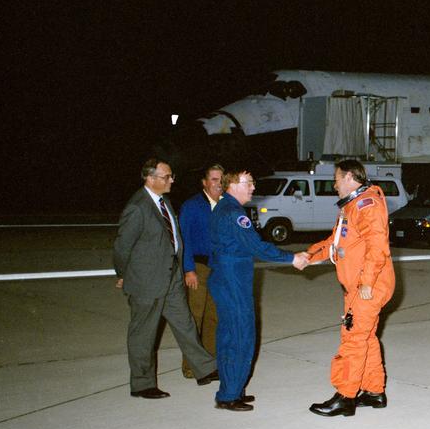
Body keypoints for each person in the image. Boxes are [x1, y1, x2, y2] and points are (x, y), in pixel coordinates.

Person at [113, 158, 219, 398]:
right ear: (150, 179)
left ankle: (204, 369)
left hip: (171, 278)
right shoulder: (138, 207)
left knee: (186, 324)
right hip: (146, 281)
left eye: (171, 176)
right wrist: (123, 275)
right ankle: (142, 384)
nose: (172, 180)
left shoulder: (164, 202)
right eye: (167, 176)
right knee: (144, 334)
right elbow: (122, 248)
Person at [208, 169, 308, 411]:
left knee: (229, 335)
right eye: (249, 183)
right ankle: (229, 395)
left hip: (226, 277)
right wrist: (291, 258)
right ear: (232, 184)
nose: (253, 187)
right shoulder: (233, 212)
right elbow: (256, 247)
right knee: (241, 336)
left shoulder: (224, 208)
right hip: (233, 280)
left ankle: (232, 388)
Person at [304, 158, 396, 418]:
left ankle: (345, 397)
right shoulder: (352, 206)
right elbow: (335, 243)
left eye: (336, 179)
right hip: (358, 285)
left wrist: (366, 283)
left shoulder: (367, 204)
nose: (334, 184)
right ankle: (374, 392)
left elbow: (378, 247)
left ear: (348, 177)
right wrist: (306, 256)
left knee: (353, 340)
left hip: (368, 286)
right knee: (365, 338)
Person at [178, 163, 223, 378]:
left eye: (221, 180)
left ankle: (210, 364)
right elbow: (183, 240)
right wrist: (188, 270)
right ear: (204, 182)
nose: (218, 184)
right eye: (213, 179)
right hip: (198, 268)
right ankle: (190, 366)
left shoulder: (226, 205)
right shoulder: (191, 206)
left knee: (214, 318)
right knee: (195, 317)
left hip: (220, 269)